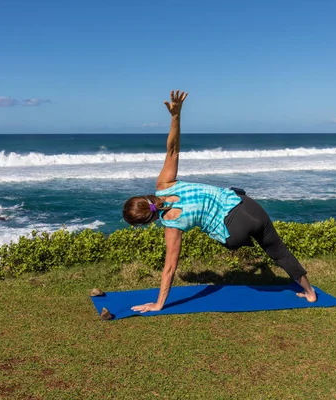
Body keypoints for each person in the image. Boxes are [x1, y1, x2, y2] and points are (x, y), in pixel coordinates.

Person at [123, 90, 317, 313]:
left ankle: (244, 247)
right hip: (248, 206)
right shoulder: (165, 184)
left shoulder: (171, 226)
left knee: (228, 236)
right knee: (279, 251)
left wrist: (159, 303)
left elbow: (169, 268)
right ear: (143, 198)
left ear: (147, 221)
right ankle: (310, 293)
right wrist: (176, 116)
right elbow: (173, 149)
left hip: (234, 232)